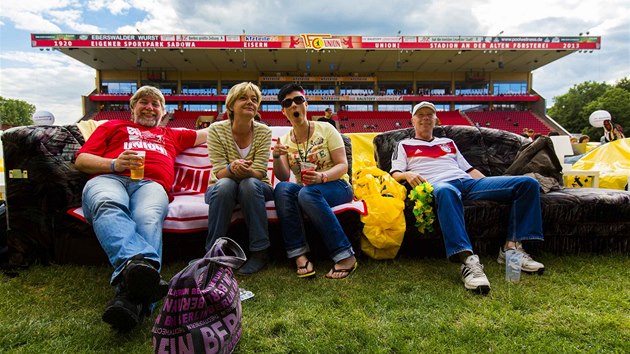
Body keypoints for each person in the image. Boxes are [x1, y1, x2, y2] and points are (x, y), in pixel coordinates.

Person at [75, 86, 208, 331]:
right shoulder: (112, 126)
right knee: (107, 204)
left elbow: (212, 132)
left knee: (147, 218)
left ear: (163, 111)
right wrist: (114, 163)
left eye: (155, 104)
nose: (149, 107)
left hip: (152, 185)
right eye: (143, 102)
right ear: (132, 108)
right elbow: (82, 160)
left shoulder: (172, 134)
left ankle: (128, 299)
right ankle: (139, 274)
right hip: (109, 178)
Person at [390, 101, 545, 294]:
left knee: (527, 184)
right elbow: (395, 173)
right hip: (439, 185)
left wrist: (493, 184)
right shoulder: (404, 144)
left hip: (468, 183)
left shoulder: (448, 143)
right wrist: (407, 175)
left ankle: (512, 248)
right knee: (446, 191)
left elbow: (469, 169)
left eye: (429, 114)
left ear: (436, 120)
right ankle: (467, 261)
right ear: (412, 120)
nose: (425, 118)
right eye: (420, 115)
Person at [272, 83, 357, 279]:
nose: (294, 105)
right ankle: (299, 254)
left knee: (307, 192)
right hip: (307, 191)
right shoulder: (284, 140)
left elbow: (343, 165)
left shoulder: (325, 128)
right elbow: (284, 177)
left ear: (306, 104)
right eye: (288, 103)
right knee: (283, 189)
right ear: (284, 111)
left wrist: (322, 176)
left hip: (337, 184)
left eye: (298, 100)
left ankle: (345, 255)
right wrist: (277, 157)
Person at [205, 82, 273, 275]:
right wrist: (231, 168)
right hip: (222, 187)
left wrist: (240, 170)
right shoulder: (216, 130)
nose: (250, 102)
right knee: (226, 184)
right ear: (231, 105)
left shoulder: (264, 131)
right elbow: (219, 172)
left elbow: (260, 172)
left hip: (256, 186)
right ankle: (213, 254)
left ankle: (260, 252)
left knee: (249, 183)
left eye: (254, 99)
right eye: (243, 98)